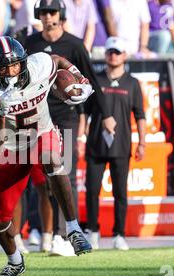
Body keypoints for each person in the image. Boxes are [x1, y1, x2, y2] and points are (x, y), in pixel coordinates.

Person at [0, 36, 94, 276]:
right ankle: (15, 262)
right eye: (4, 67)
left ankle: (73, 229)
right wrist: (1, 113)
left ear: (24, 61)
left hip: (42, 133)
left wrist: (79, 78)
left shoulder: (39, 66)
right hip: (12, 148)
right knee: (0, 218)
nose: (11, 70)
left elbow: (56, 60)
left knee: (51, 158)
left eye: (15, 64)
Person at [24, 0, 112, 257]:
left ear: (61, 15)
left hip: (67, 117)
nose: (48, 16)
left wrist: (105, 114)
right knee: (40, 178)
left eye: (52, 12)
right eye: (43, 12)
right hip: (38, 116)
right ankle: (43, 230)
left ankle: (66, 235)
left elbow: (91, 80)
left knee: (66, 172)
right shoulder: (30, 44)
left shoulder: (74, 44)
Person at [84, 37, 146, 251]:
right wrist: (80, 135)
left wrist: (142, 143)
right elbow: (85, 110)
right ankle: (92, 231)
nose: (113, 56)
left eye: (117, 52)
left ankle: (119, 234)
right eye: (110, 52)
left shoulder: (132, 83)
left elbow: (140, 115)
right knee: (92, 190)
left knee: (120, 191)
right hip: (96, 144)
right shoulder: (96, 80)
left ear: (124, 55)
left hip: (121, 144)